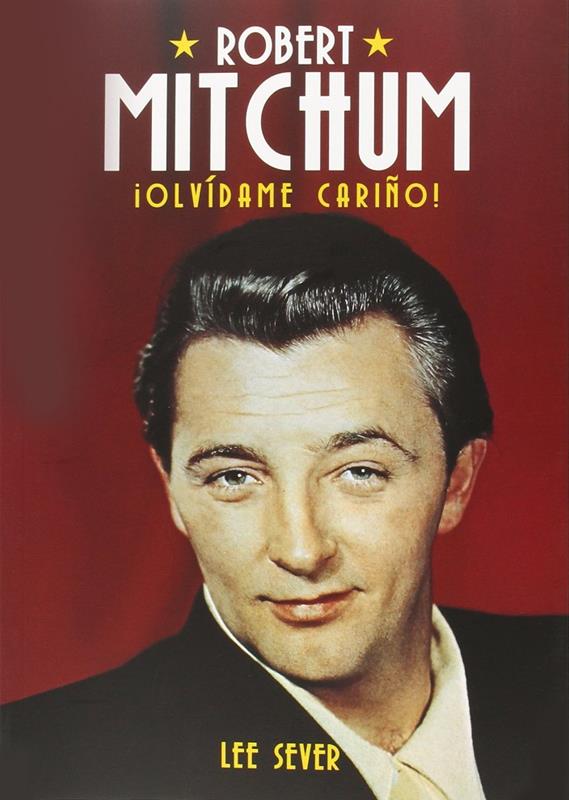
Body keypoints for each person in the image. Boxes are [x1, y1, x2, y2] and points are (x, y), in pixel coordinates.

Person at [2, 215, 566, 799]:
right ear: (171, 489)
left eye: (360, 471)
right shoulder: (35, 773)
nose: (300, 550)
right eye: (234, 477)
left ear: (456, 483)